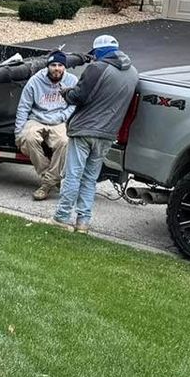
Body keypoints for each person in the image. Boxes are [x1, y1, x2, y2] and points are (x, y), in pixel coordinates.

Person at [55, 34, 140, 233]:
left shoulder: (97, 68)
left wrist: (65, 92)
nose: (93, 58)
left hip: (85, 129)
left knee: (72, 175)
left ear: (99, 52)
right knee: (90, 178)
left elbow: (79, 96)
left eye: (95, 54)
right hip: (108, 133)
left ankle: (61, 217)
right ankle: (83, 223)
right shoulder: (133, 72)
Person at [13, 51, 74, 200]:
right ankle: (52, 179)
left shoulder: (72, 81)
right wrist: (18, 132)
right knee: (27, 138)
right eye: (53, 65)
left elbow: (74, 104)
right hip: (37, 118)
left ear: (65, 67)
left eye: (60, 65)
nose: (57, 68)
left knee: (65, 142)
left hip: (59, 120)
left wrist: (63, 116)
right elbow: (23, 107)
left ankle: (46, 185)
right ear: (48, 66)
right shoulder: (35, 81)